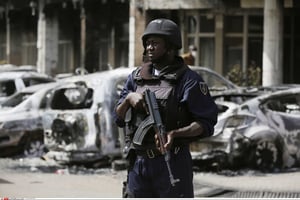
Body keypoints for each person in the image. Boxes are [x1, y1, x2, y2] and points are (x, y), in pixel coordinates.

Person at [113, 18, 218, 198]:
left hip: (172, 162)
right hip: (138, 163)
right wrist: (129, 98)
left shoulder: (189, 80)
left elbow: (206, 123)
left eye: (155, 43)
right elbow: (119, 117)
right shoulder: (136, 78)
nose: (149, 48)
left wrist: (175, 134)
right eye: (147, 43)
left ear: (170, 47)